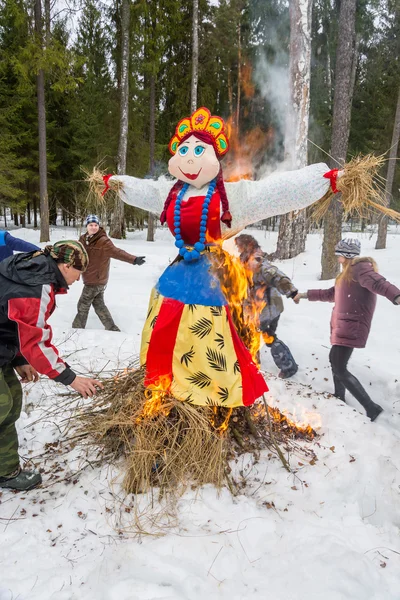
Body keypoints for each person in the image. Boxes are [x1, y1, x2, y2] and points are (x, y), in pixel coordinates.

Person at [99, 107, 340, 408]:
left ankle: (204, 394)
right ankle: (165, 381)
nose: (190, 156)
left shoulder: (231, 197)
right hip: (176, 274)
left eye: (199, 150)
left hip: (209, 277)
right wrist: (114, 183)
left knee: (204, 337)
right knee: (164, 327)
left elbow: (275, 192)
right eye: (184, 149)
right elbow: (144, 189)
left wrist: (323, 180)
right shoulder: (172, 192)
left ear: (215, 156)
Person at [0, 241, 103, 491]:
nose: (79, 280)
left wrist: (19, 359)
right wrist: (71, 379)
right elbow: (36, 342)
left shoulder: (32, 269)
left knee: (10, 402)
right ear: (66, 266)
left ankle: (5, 471)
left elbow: (13, 320)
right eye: (79, 273)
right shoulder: (37, 285)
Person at [294, 238, 400, 421]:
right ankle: (339, 396)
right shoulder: (347, 274)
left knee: (339, 366)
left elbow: (379, 283)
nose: (337, 257)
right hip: (343, 324)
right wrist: (304, 295)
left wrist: (396, 296)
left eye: (339, 254)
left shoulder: (360, 270)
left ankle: (371, 407)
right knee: (335, 361)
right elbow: (331, 294)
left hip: (353, 324)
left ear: (346, 255)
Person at [235, 234, 298, 378]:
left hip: (266, 310)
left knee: (255, 336)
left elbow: (277, 276)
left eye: (238, 246)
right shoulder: (245, 261)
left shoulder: (259, 263)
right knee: (267, 336)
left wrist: (291, 292)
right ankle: (286, 366)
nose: (237, 249)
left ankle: (252, 368)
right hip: (261, 309)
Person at [72, 215, 145, 332]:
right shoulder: (83, 239)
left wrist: (134, 259)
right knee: (99, 305)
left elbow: (117, 252)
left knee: (83, 304)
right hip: (90, 278)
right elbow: (76, 254)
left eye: (96, 225)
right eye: (91, 225)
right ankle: (112, 328)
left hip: (96, 280)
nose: (94, 227)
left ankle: (77, 329)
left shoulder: (103, 241)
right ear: (87, 226)